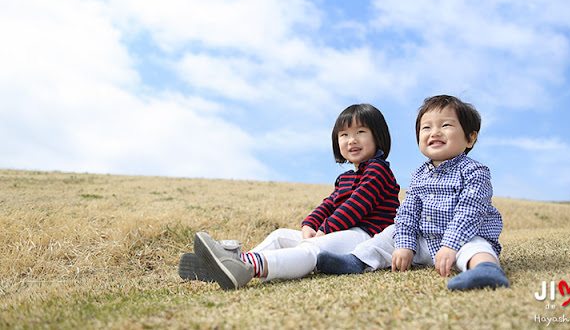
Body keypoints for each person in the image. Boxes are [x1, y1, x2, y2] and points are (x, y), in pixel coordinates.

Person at [178, 103, 400, 290]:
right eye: (344, 135)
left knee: (311, 249)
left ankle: (248, 265)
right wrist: (311, 223)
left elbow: (356, 206)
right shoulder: (345, 179)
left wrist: (325, 230)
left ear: (377, 136)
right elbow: (329, 204)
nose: (352, 140)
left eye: (360, 132)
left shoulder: (378, 170)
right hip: (340, 232)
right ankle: (233, 265)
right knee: (280, 235)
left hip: (365, 237)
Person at [317, 95, 509, 291]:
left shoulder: (474, 171)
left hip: (461, 240)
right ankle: (356, 260)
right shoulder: (419, 175)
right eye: (426, 128)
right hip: (425, 241)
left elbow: (470, 212)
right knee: (391, 233)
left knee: (477, 247)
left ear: (470, 138)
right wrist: (405, 245)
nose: (435, 132)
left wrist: (450, 245)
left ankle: (486, 270)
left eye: (445, 126)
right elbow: (408, 212)